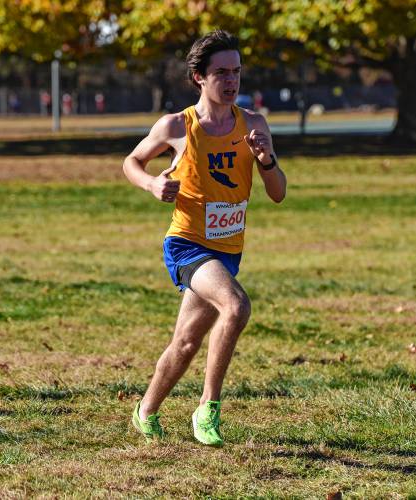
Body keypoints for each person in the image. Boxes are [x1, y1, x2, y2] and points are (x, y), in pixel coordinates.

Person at [122, 30, 287, 446]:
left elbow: (279, 192)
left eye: (236, 72)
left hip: (228, 249)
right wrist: (151, 185)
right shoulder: (178, 126)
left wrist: (266, 160)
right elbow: (132, 161)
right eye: (221, 73)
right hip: (188, 245)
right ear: (199, 77)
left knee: (187, 341)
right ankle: (207, 409)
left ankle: (145, 411)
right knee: (236, 306)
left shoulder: (254, 124)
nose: (231, 81)